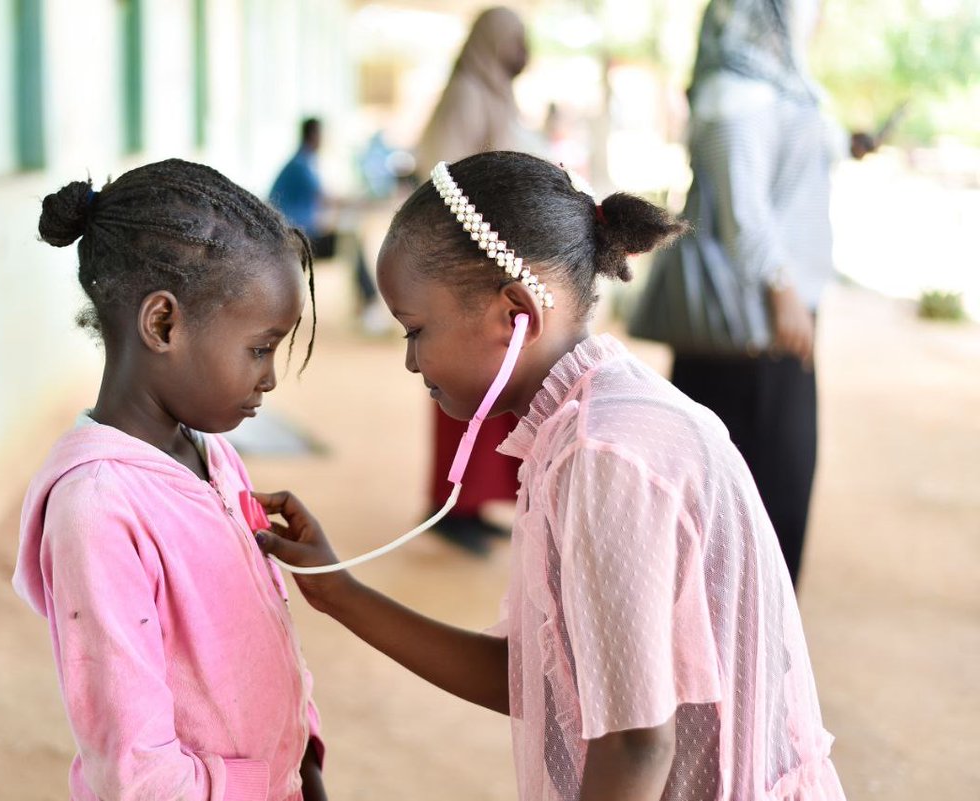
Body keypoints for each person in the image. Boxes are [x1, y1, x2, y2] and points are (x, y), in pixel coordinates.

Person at [256, 151, 846, 801]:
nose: (409, 359)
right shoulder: (580, 424)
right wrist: (342, 592)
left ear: (516, 315)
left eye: (415, 330)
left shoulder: (602, 454)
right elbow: (536, 678)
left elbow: (635, 742)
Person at [13, 159, 327, 801]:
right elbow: (137, 772)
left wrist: (305, 765)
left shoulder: (210, 454)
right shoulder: (98, 510)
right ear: (163, 324)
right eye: (260, 348)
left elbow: (268, 639)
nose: (270, 378)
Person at [629, 0, 874, 588]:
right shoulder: (731, 97)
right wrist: (783, 291)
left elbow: (792, 158)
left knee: (775, 497)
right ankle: (731, 660)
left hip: (768, 322)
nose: (818, 18)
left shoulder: (779, 87)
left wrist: (850, 143)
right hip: (749, 327)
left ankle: (755, 651)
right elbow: (745, 211)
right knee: (752, 499)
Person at [416, 6, 541, 554]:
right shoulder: (467, 94)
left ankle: (471, 502)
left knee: (498, 384)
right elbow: (443, 179)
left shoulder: (498, 97)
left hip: (501, 264)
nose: (522, 50)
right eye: (513, 40)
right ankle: (450, 506)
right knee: (463, 381)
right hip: (470, 269)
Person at [270, 117, 388, 336]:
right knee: (349, 240)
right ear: (314, 135)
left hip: (299, 236)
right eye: (322, 135)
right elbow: (327, 199)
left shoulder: (302, 162)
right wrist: (363, 202)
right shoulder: (300, 165)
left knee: (349, 239)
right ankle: (369, 307)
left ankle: (365, 306)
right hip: (295, 241)